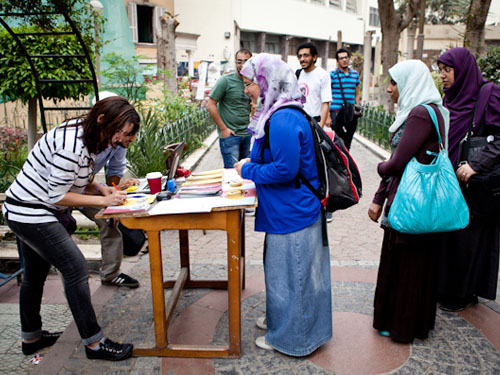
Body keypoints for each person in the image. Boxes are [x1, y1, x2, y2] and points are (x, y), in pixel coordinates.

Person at [2, 96, 139, 360]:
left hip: (28, 208)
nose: (126, 141)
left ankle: (31, 337)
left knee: (34, 275)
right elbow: (57, 195)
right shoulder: (71, 145)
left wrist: (100, 187)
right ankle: (94, 344)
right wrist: (103, 199)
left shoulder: (89, 137)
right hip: (31, 211)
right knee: (74, 268)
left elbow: (77, 180)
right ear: (103, 121)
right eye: (124, 134)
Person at [234, 54, 332, 356]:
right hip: (286, 211)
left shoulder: (283, 118)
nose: (247, 90)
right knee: (282, 276)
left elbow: (285, 170)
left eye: (250, 83)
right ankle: (282, 322)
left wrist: (246, 170)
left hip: (294, 213)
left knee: (294, 279)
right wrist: (254, 161)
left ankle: (293, 340)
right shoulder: (277, 112)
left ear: (267, 82)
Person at [368, 60, 450, 343]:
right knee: (418, 264)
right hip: (422, 201)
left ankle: (400, 324)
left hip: (409, 201)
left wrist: (379, 169)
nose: (390, 89)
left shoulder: (418, 114)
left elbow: (398, 162)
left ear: (409, 83)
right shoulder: (436, 112)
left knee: (405, 263)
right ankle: (415, 323)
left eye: (394, 83)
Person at [436, 47, 500, 311]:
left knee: (469, 241)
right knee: (451, 239)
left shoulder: (489, 94)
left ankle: (463, 293)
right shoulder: (450, 99)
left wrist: (475, 165)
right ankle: (449, 289)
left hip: (474, 184)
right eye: (440, 70)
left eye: (447, 70)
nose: (442, 75)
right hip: (451, 183)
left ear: (462, 71)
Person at [79, 145, 140, 289]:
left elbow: (115, 170)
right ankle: (76, 287)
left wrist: (114, 190)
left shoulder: (120, 142)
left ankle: (110, 274)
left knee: (109, 219)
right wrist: (104, 198)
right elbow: (61, 193)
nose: (132, 140)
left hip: (86, 187)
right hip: (63, 192)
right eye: (129, 135)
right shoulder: (84, 141)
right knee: (65, 250)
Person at [207, 48, 253, 168]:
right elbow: (210, 104)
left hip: (247, 134)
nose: (242, 65)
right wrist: (223, 129)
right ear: (235, 62)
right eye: (239, 61)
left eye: (246, 61)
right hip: (230, 135)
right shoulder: (226, 80)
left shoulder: (252, 81)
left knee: (245, 172)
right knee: (232, 174)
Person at [329, 48, 360, 150]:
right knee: (338, 140)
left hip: (350, 113)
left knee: (348, 140)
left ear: (349, 59)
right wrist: (328, 115)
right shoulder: (332, 75)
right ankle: (339, 161)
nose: (344, 60)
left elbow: (357, 93)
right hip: (336, 113)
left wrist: (358, 108)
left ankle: (346, 162)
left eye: (346, 57)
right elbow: (327, 95)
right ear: (337, 61)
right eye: (341, 58)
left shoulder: (355, 75)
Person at [296, 42, 332, 128]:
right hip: (298, 120)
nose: (302, 59)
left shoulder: (323, 75)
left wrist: (320, 127)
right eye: (300, 56)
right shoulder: (298, 73)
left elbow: (325, 103)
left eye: (306, 55)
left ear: (314, 57)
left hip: (313, 122)